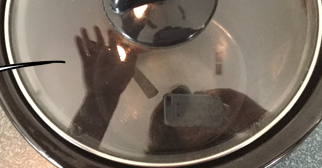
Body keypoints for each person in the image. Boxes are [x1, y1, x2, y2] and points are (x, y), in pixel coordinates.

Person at [69, 26, 267, 154]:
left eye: (200, 107)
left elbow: (274, 141)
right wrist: (103, 94)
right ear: (166, 134)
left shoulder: (241, 155)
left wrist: (249, 112)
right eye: (180, 113)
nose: (196, 117)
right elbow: (77, 158)